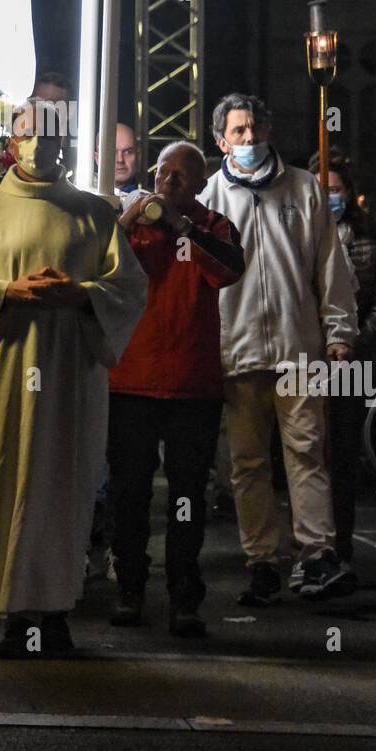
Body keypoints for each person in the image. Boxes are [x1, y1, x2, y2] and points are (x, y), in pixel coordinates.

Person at [0, 99, 147, 659]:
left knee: (65, 486)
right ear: (13, 140)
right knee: (10, 482)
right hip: (9, 369)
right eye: (29, 135)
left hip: (72, 373)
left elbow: (128, 288)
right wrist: (7, 290)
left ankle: (54, 615)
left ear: (67, 143)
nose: (39, 146)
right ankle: (15, 615)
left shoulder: (94, 214)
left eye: (51, 136)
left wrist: (80, 294)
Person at [199, 93, 358, 604]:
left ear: (269, 131)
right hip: (237, 351)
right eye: (239, 131)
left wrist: (339, 333)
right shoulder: (208, 199)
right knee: (247, 463)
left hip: (298, 348)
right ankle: (262, 561)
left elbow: (330, 267)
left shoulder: (304, 188)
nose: (249, 139)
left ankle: (315, 556)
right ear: (220, 140)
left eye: (256, 129)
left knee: (307, 452)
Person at [108, 142, 244, 636]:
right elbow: (101, 262)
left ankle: (185, 597)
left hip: (192, 386)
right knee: (129, 494)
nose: (167, 184)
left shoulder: (212, 227)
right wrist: (130, 218)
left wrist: (182, 227)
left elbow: (230, 269)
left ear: (200, 185)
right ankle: (129, 587)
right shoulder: (134, 220)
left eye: (180, 178)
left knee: (188, 498)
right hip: (132, 381)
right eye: (163, 173)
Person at [309, 149, 376, 585]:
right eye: (323, 190)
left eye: (337, 190)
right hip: (306, 360)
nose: (331, 197)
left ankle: (340, 547)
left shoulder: (368, 238)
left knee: (342, 455)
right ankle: (310, 547)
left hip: (350, 362)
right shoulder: (300, 234)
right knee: (307, 454)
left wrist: (353, 341)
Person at [95, 121, 140, 196]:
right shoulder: (80, 198)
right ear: (97, 158)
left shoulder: (151, 201)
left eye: (128, 152)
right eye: (112, 153)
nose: (120, 160)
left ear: (139, 157)